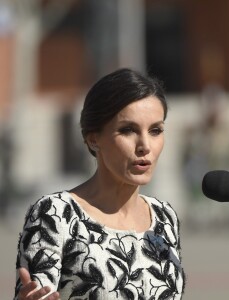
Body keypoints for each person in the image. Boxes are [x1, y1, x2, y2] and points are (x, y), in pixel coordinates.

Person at [14, 68, 186, 300]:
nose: (145, 145)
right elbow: (37, 293)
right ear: (93, 138)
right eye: (128, 130)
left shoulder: (165, 217)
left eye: (156, 130)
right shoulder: (56, 215)